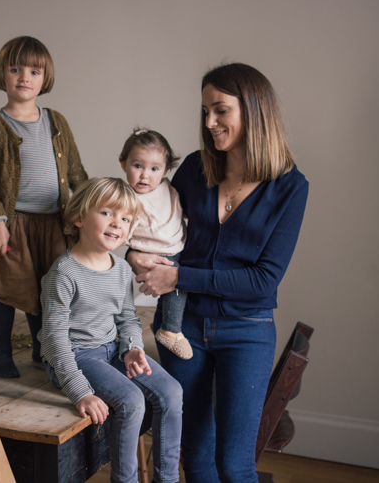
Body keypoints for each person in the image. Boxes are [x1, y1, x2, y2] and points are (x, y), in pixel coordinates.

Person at [128, 63, 309, 483]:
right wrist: (131, 253)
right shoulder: (194, 168)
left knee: (235, 463)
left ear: (254, 111)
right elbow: (149, 220)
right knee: (193, 453)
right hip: (183, 326)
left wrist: (179, 278)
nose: (209, 122)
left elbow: (264, 280)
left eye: (220, 110)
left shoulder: (289, 186)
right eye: (205, 111)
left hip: (247, 330)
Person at [39, 177, 183, 483]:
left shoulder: (120, 269)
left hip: (112, 351)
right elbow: (54, 342)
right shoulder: (63, 274)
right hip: (75, 358)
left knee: (172, 391)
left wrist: (132, 348)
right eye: (107, 213)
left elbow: (127, 318)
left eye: (126, 218)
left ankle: (167, 479)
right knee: (132, 402)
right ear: (78, 218)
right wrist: (80, 393)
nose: (117, 223)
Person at [0, 36, 88, 378]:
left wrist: (90, 206)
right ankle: (3, 353)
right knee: (9, 288)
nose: (25, 77)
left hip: (53, 222)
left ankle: (42, 346)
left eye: (34, 71)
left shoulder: (56, 121)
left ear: (44, 78)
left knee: (47, 286)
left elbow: (76, 171)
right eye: (15, 69)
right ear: (2, 75)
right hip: (13, 223)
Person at [118, 127, 191, 360]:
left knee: (179, 286)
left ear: (166, 170)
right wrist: (130, 253)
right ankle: (169, 330)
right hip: (145, 251)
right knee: (117, 289)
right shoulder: (124, 196)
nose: (144, 175)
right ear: (123, 163)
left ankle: (168, 327)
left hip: (174, 249)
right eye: (137, 166)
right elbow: (112, 227)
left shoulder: (168, 189)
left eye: (154, 169)